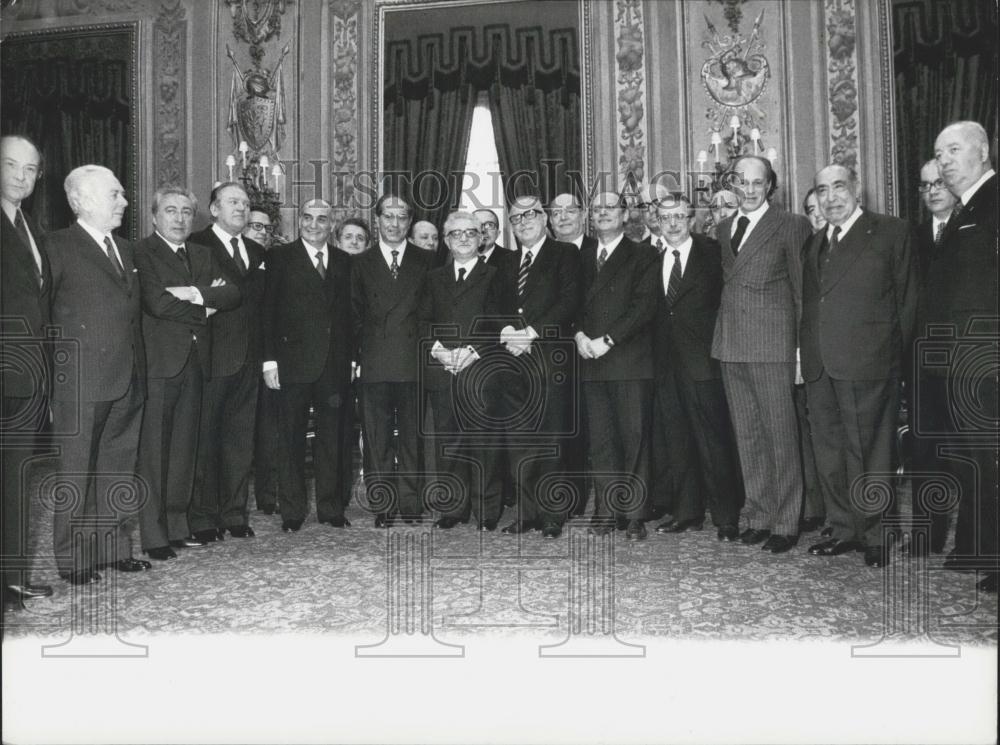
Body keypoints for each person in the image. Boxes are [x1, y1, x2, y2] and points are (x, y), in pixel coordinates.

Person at [801, 164, 917, 568]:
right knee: (830, 453)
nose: (831, 197)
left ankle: (878, 534)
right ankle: (843, 528)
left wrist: (897, 362)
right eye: (822, 190)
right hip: (821, 366)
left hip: (870, 363)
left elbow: (907, 302)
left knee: (870, 454)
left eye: (838, 188)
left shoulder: (890, 232)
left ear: (857, 189)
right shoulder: (815, 242)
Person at [44, 165, 150, 584]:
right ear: (80, 200)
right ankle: (72, 559)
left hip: (126, 378)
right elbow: (40, 316)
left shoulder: (125, 249)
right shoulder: (55, 246)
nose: (124, 202)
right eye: (115, 195)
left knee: (117, 467)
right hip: (80, 383)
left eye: (122, 194)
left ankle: (113, 549)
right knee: (75, 471)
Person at [133, 186, 240, 560]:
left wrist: (191, 293)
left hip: (196, 363)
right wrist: (204, 301)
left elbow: (231, 295)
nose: (179, 219)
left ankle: (178, 526)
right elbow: (156, 302)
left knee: (184, 451)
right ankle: (153, 535)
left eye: (185, 212)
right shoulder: (141, 251)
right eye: (170, 211)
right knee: (155, 452)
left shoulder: (202, 253)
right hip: (160, 364)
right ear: (154, 216)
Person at [712, 155, 811, 554]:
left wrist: (802, 351)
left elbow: (803, 292)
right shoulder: (723, 229)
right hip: (731, 345)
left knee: (780, 436)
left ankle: (786, 522)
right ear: (732, 184)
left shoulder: (791, 225)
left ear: (770, 186)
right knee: (748, 436)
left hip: (773, 346)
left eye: (758, 183)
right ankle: (757, 515)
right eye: (742, 182)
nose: (750, 190)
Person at [919, 121, 998, 593]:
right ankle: (982, 549)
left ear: (983, 151)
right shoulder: (967, 207)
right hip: (959, 358)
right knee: (975, 459)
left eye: (953, 150)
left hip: (985, 356)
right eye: (938, 152)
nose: (944, 159)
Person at [651, 195, 743, 541]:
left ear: (691, 220)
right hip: (665, 365)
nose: (672, 223)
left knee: (713, 441)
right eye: (665, 217)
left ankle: (726, 516)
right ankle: (687, 512)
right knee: (676, 441)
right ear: (656, 222)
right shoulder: (650, 257)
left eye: (679, 217)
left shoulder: (713, 251)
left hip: (705, 361)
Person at [263, 199, 354, 531]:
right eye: (308, 218)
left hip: (334, 365)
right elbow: (267, 312)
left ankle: (331, 509)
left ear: (332, 225)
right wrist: (269, 361)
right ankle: (292, 512)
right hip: (291, 364)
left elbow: (351, 316)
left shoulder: (345, 261)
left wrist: (353, 359)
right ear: (298, 221)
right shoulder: (279, 258)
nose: (314, 224)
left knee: (331, 440)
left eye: (322, 219)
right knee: (290, 439)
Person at [495, 195, 581, 536]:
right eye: (516, 218)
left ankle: (552, 515)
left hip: (550, 360)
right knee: (520, 442)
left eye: (530, 215)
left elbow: (568, 301)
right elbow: (496, 304)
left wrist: (531, 333)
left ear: (545, 218)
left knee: (551, 440)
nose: (523, 222)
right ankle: (526, 513)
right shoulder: (506, 262)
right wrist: (506, 333)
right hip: (513, 362)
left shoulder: (565, 254)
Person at [575, 190, 657, 540]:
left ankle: (635, 514)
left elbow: (644, 306)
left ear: (625, 216)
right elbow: (571, 302)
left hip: (628, 359)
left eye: (611, 208)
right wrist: (578, 335)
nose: (603, 213)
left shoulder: (644, 254)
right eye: (597, 209)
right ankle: (605, 512)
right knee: (602, 442)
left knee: (634, 439)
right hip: (591, 360)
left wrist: (606, 340)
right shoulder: (581, 257)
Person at [419, 210, 509, 530]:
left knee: (484, 443)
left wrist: (471, 351)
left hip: (482, 371)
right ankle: (453, 509)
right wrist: (440, 351)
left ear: (481, 238)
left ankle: (487, 512)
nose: (464, 239)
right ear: (446, 241)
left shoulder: (497, 275)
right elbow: (423, 320)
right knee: (450, 442)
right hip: (444, 371)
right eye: (456, 234)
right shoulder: (433, 278)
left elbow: (501, 320)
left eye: (470, 233)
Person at [188, 182, 266, 542]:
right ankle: (203, 518)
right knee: (206, 439)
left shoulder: (256, 249)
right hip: (213, 356)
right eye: (233, 202)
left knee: (239, 440)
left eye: (246, 204)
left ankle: (235, 513)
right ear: (214, 209)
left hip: (249, 359)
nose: (242, 208)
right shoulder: (196, 246)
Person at [351, 194, 435, 525]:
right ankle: (383, 506)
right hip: (374, 363)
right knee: (377, 440)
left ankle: (411, 506)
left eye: (402, 217)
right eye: (388, 216)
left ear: (410, 222)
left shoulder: (427, 260)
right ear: (378, 219)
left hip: (413, 361)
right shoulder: (360, 262)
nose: (395, 223)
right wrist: (362, 353)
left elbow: (431, 312)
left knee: (413, 439)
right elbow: (354, 315)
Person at [0, 134, 53, 605]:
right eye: (11, 165)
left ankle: (12, 578)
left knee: (17, 478)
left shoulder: (29, 224)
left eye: (30, 169)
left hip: (27, 375)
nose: (21, 176)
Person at [904, 159, 958, 555]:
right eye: (925, 186)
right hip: (923, 361)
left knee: (973, 454)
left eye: (939, 182)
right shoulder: (913, 238)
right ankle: (928, 534)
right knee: (925, 452)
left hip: (968, 360)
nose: (932, 191)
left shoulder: (978, 227)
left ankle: (977, 541)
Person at [244, 207, 281, 516]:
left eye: (266, 228)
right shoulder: (222, 256)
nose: (260, 232)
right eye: (254, 225)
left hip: (268, 358)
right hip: (233, 358)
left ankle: (267, 497)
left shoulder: (276, 261)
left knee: (270, 431)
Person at [797, 186, 826, 534]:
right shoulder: (806, 249)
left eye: (820, 207)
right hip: (806, 357)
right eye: (810, 209)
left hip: (843, 358)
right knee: (809, 436)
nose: (816, 214)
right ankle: (817, 508)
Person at [634, 182, 670, 252]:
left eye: (657, 204)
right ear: (641, 214)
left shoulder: (692, 245)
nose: (651, 211)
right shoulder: (636, 253)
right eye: (644, 206)